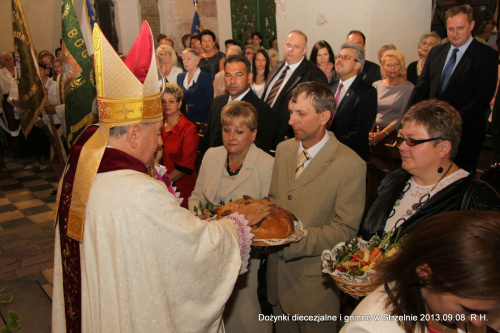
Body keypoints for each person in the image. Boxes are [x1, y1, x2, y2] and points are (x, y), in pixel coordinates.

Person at [52, 22, 271, 333]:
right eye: (156, 134)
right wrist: (235, 227)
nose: (159, 143)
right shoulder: (139, 192)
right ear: (133, 133)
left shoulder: (75, 171)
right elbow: (192, 250)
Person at [267, 81, 366, 333]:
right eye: (291, 112)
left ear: (325, 117)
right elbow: (275, 202)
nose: (291, 120)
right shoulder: (283, 150)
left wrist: (291, 240)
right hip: (277, 283)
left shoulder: (350, 164)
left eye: (301, 113)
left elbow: (345, 231)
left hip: (313, 287)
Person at [359, 100, 500, 240]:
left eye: (412, 141)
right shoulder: (394, 177)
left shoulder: (476, 198)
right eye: (401, 139)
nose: (402, 147)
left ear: (443, 148)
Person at [341, 210, 500, 333]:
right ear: (425, 274)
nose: (479, 322)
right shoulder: (370, 328)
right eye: (469, 310)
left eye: (485, 311)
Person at [408, 5, 498, 175]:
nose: (455, 33)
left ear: (471, 26)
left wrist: (448, 121)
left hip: (465, 133)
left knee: (457, 182)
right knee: (432, 177)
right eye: (451, 29)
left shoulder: (485, 55)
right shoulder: (437, 52)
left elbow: (481, 98)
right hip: (432, 132)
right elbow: (421, 89)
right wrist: (407, 118)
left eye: (460, 28)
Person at [261, 30, 327, 149]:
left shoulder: (315, 76)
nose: (290, 49)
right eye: (288, 45)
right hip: (264, 135)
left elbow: (315, 115)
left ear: (304, 50)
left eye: (296, 46)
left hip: (290, 140)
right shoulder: (276, 67)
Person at [203, 54, 274, 156]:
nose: (232, 81)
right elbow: (208, 140)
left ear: (249, 77)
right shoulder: (217, 103)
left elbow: (261, 150)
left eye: (238, 75)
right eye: (228, 75)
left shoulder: (262, 110)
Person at [329, 43, 377, 161]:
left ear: (357, 65)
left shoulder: (367, 92)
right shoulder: (329, 88)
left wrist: (331, 145)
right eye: (339, 56)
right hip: (326, 154)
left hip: (350, 156)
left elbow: (360, 131)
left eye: (346, 57)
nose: (340, 60)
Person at [161, 83, 199, 209]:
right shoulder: (156, 125)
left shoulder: (189, 129)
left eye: (171, 101)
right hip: (160, 186)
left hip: (181, 189)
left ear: (180, 103)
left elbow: (186, 166)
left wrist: (162, 182)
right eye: (163, 101)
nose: (167, 105)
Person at [369, 50, 414, 147]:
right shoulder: (376, 85)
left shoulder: (408, 87)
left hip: (393, 136)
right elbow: (371, 112)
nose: (392, 68)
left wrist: (382, 134)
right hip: (374, 134)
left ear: (401, 66)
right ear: (383, 67)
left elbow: (403, 116)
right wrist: (370, 133)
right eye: (388, 65)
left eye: (396, 64)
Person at [177, 48, 214, 124]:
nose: (185, 62)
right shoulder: (180, 76)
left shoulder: (205, 77)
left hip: (200, 119)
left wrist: (190, 108)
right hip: (183, 119)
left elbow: (208, 100)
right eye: (183, 59)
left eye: (188, 59)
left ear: (197, 61)